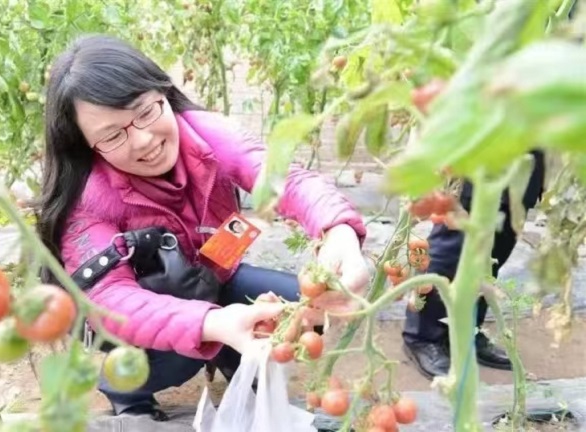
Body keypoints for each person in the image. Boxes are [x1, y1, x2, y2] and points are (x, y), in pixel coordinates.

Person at [35, 34, 370, 420]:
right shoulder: (88, 200)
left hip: (211, 274)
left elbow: (285, 179)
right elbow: (111, 299)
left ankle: (230, 355)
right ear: (85, 145)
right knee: (182, 354)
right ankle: (125, 388)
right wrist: (211, 322)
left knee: (298, 305)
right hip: (143, 310)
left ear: (163, 93)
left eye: (146, 111)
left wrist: (337, 230)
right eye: (112, 135)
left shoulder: (207, 135)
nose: (143, 140)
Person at [402, 151, 545, 379]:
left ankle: (466, 330)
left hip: (527, 161)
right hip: (484, 155)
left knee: (492, 256)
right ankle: (422, 336)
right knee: (452, 249)